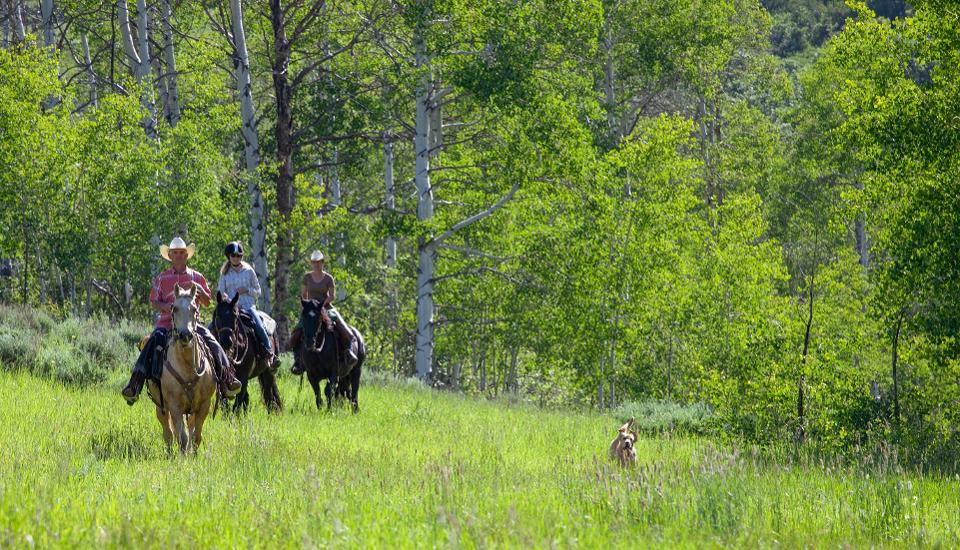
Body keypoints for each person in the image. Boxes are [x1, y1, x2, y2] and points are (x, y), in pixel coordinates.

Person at [121, 237, 241, 405]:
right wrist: (170, 307)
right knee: (151, 344)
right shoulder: (162, 278)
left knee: (213, 342)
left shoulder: (197, 277)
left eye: (182, 253)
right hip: (166, 324)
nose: (179, 255)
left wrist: (202, 294)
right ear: (170, 255)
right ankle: (135, 384)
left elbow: (208, 302)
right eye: (175, 253)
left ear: (186, 255)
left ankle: (227, 379)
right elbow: (154, 301)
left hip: (192, 325)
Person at [290, 250, 357, 375]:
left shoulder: (328, 278)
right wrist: (306, 305)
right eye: (314, 262)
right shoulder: (307, 277)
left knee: (342, 326)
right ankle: (298, 359)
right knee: (298, 330)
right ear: (311, 263)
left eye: (319, 262)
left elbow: (332, 296)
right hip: (311, 308)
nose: (316, 264)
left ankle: (349, 351)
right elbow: (303, 294)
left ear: (322, 263)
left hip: (326, 306)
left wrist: (323, 304)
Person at [217, 241, 274, 364]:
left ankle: (269, 351)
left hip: (248, 307)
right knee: (213, 326)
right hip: (231, 308)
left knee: (259, 326)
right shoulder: (224, 273)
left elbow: (258, 291)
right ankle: (212, 354)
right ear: (228, 256)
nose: (236, 258)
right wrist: (224, 296)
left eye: (239, 255)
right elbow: (220, 291)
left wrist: (247, 290)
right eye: (233, 255)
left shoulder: (249, 270)